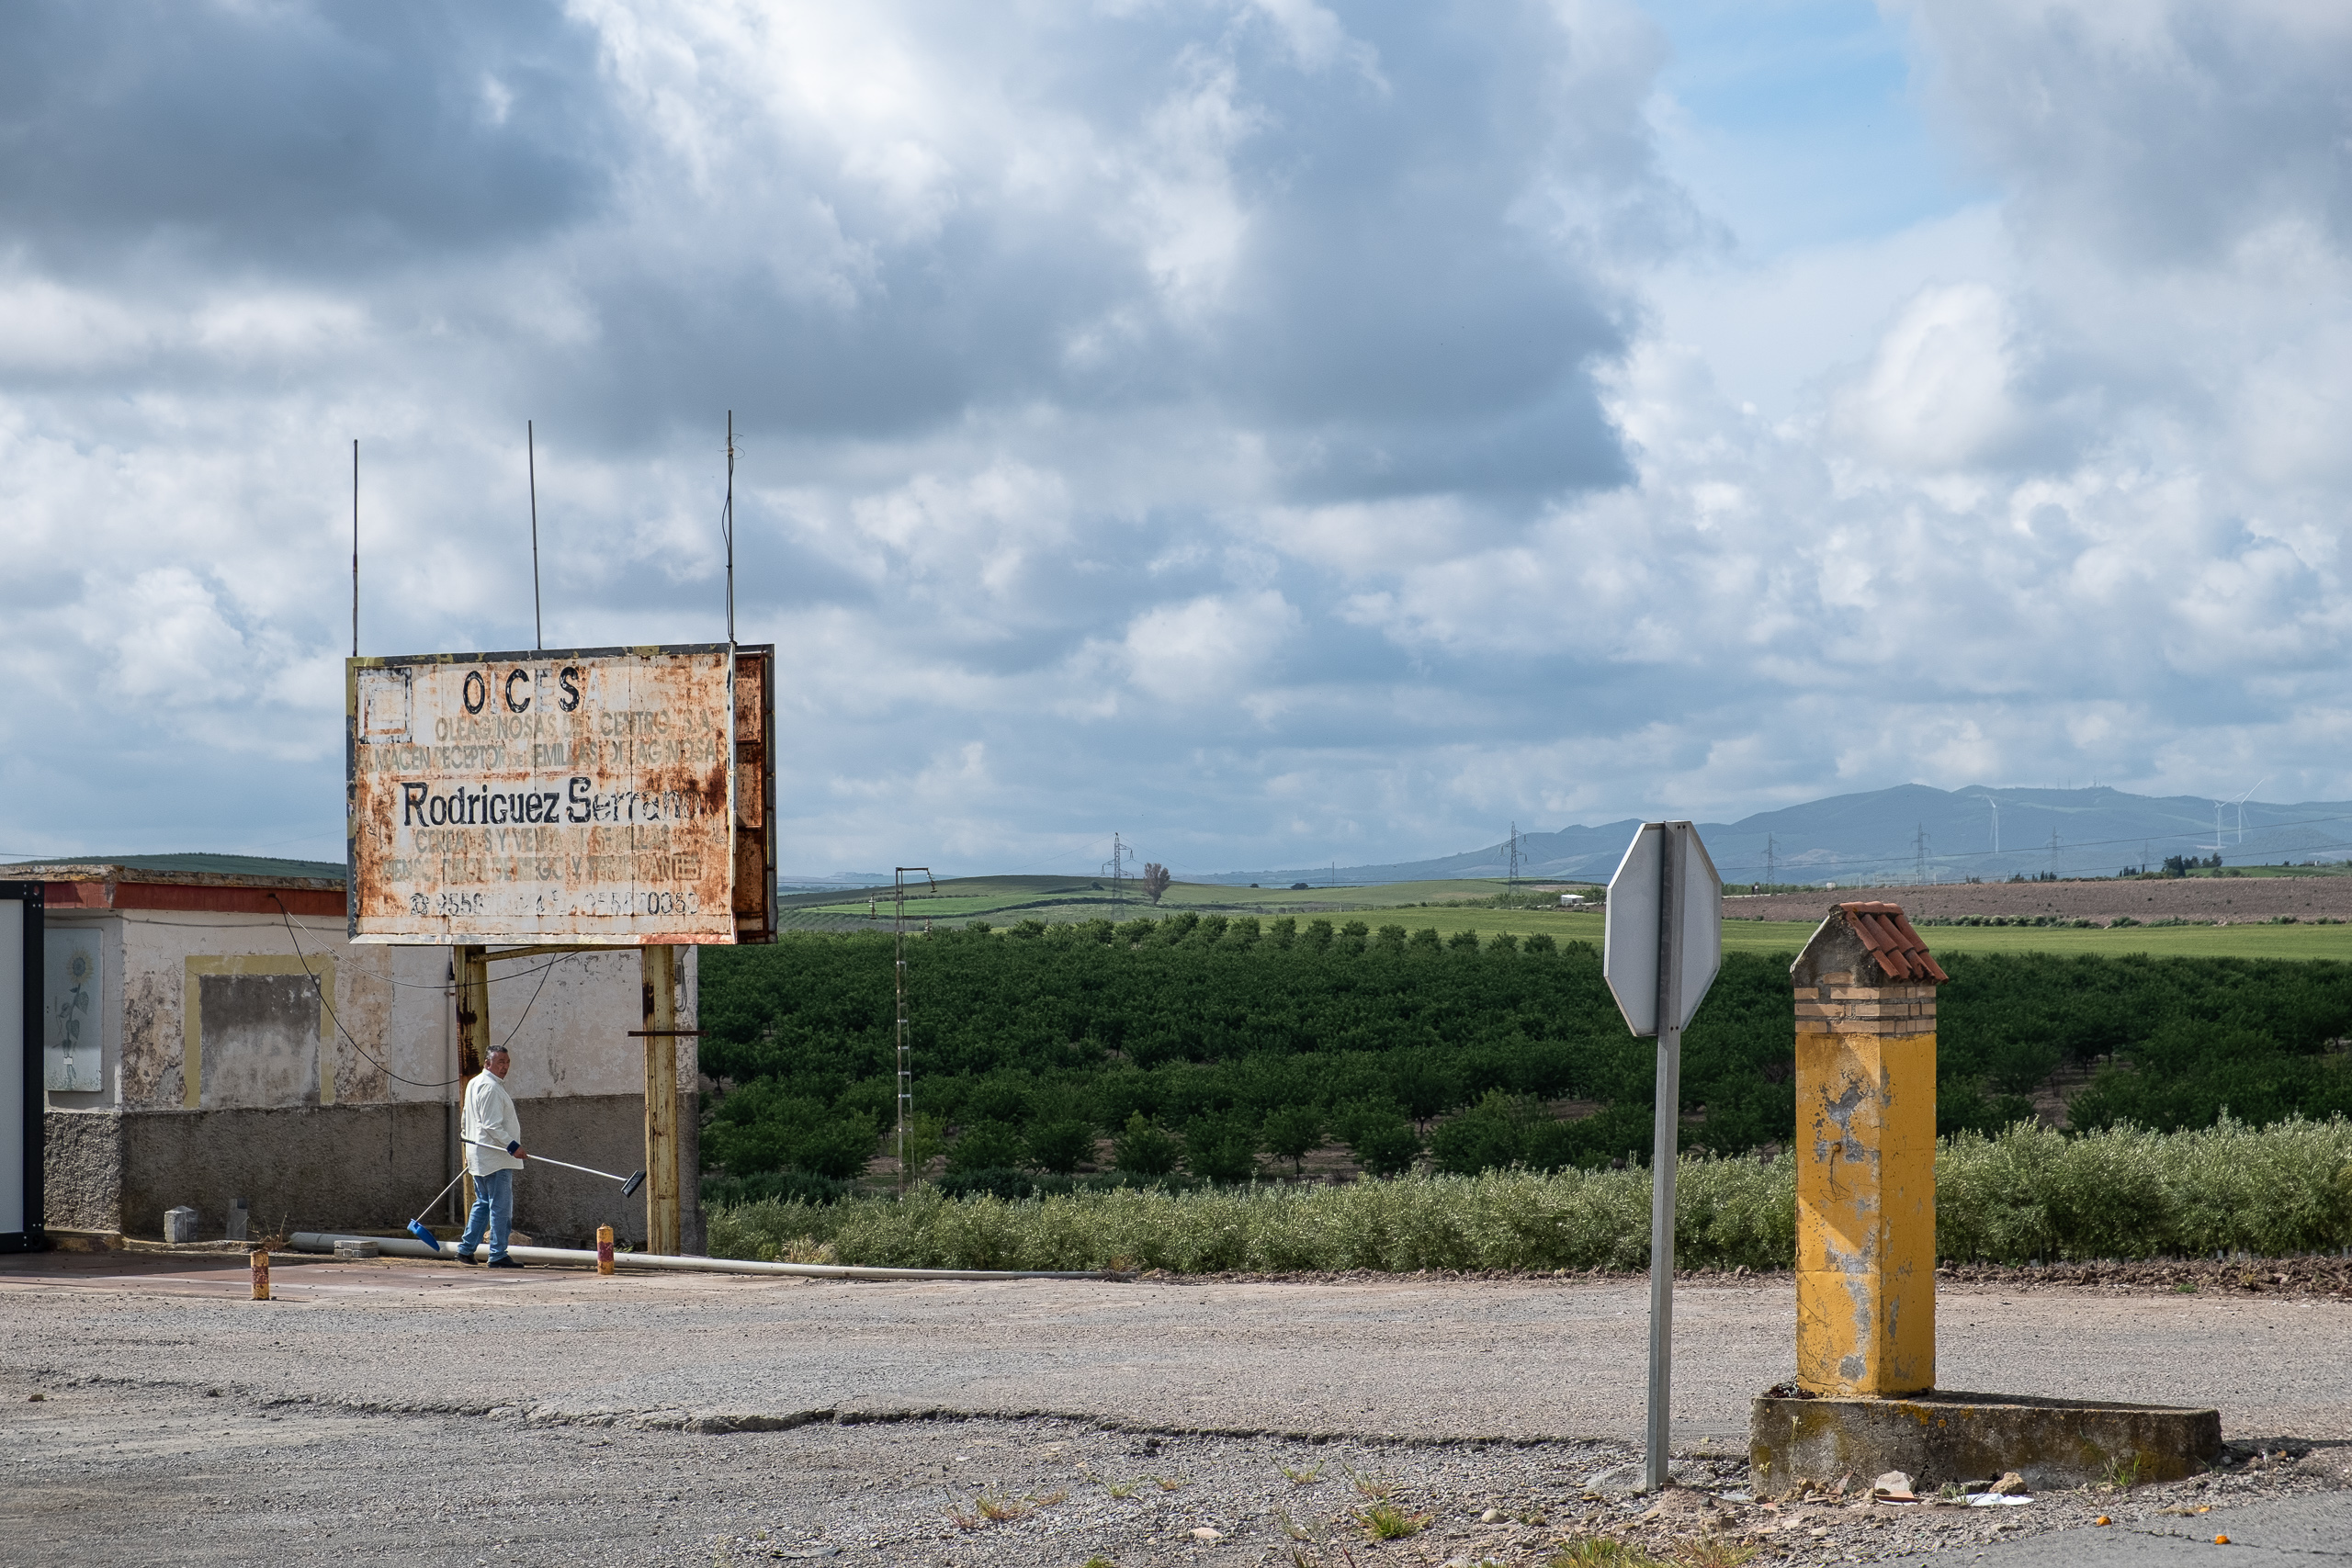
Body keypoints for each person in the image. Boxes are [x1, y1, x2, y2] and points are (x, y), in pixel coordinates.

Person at [458, 1044, 527, 1268]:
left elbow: (466, 1119)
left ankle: (466, 1249)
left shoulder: (475, 1083)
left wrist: (468, 1147)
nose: (505, 1067)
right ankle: (497, 1254)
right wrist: (513, 1145)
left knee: (484, 1202)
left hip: (481, 1154)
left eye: (507, 1063)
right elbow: (490, 1125)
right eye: (500, 1063)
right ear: (487, 1064)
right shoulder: (490, 1088)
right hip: (495, 1157)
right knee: (500, 1207)